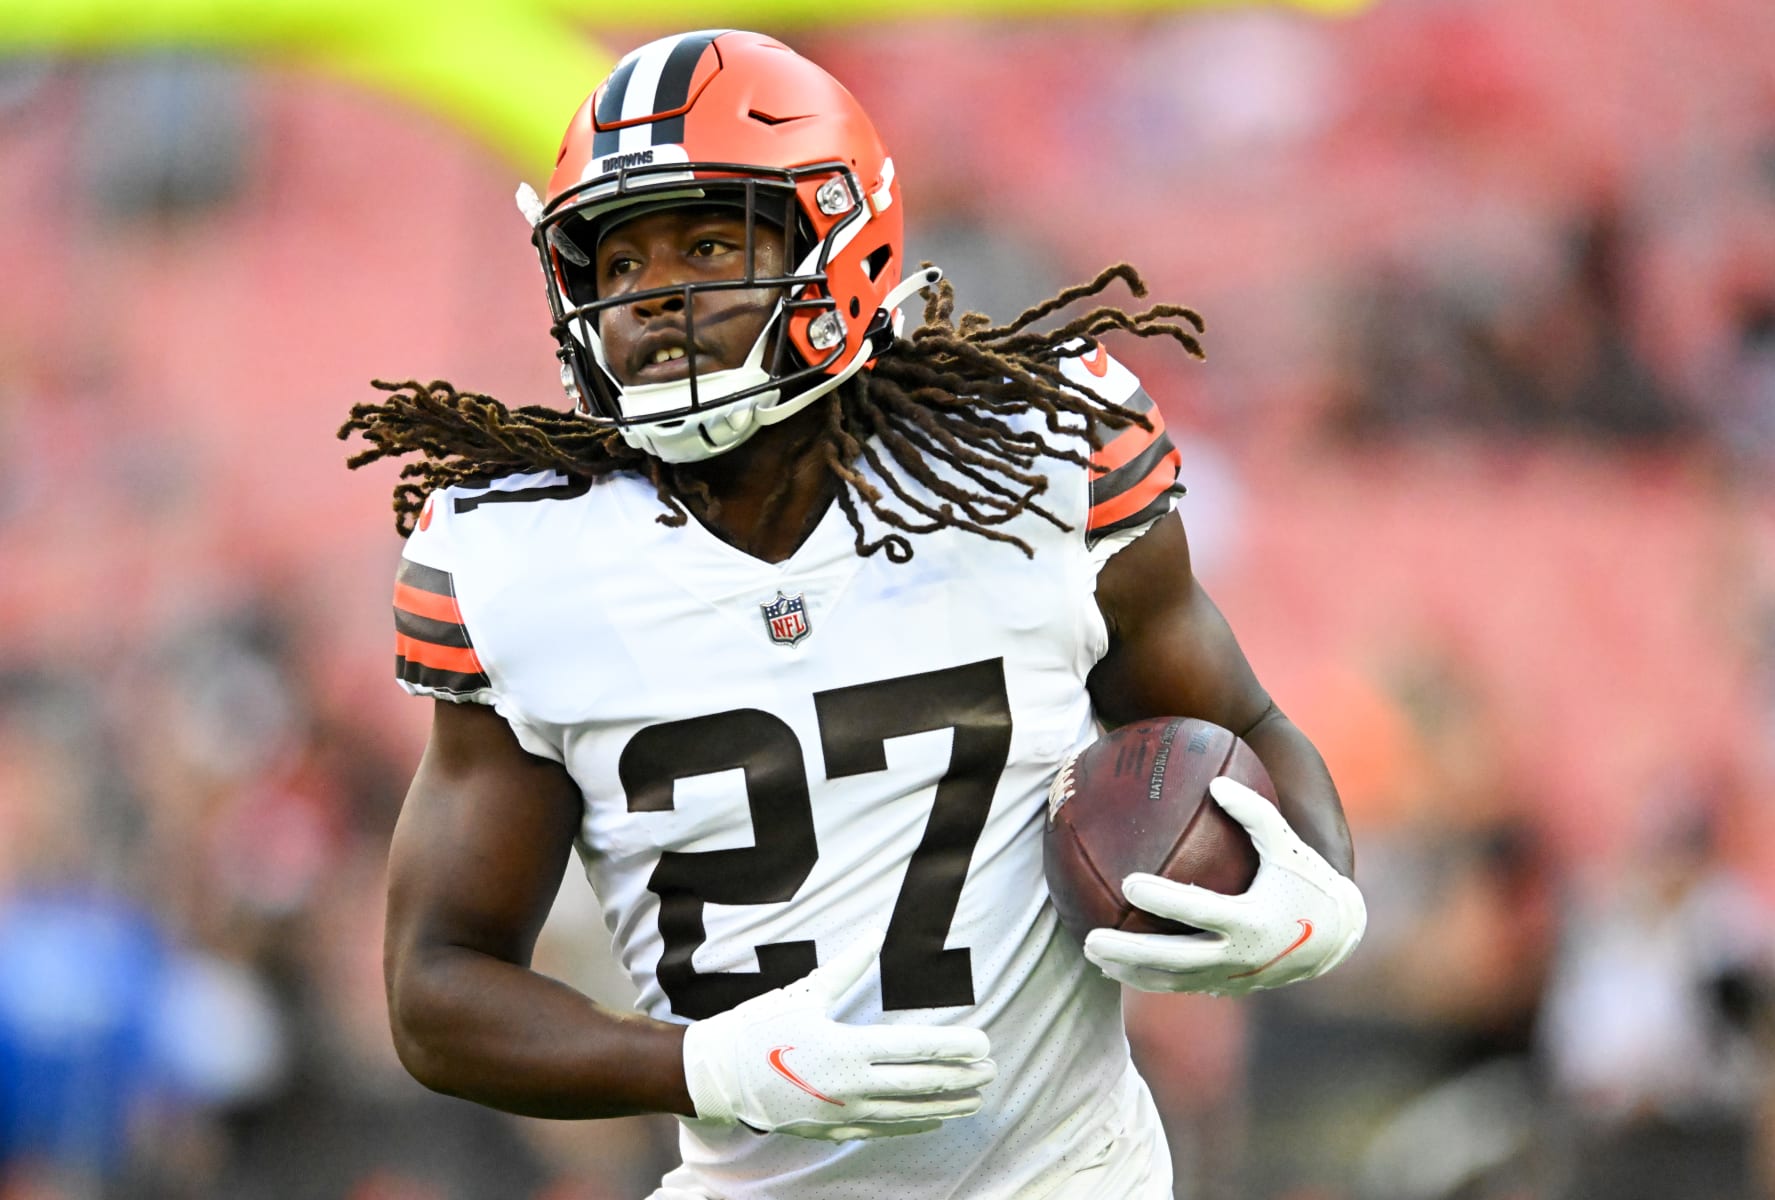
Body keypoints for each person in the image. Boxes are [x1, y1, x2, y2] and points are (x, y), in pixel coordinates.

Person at [340, 29, 1365, 1200]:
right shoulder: (522, 563)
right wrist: (708, 1064)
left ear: (838, 242)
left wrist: (1320, 888)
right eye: (618, 266)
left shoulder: (1029, 469)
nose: (654, 300)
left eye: (711, 243)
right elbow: (437, 990)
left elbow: (1241, 722)